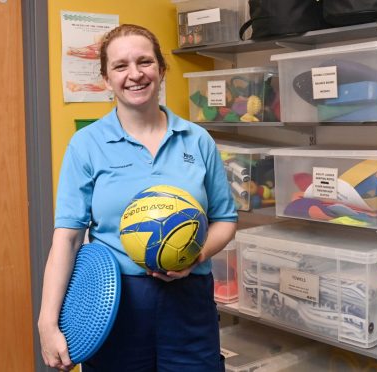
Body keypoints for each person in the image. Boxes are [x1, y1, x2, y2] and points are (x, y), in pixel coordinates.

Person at [38, 24, 238, 372]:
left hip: (189, 298)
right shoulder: (87, 144)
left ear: (161, 69)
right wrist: (47, 322)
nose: (135, 74)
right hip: (114, 302)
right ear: (106, 78)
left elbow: (225, 219)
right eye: (120, 66)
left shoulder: (197, 139)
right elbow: (67, 238)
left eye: (144, 62)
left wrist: (197, 255)